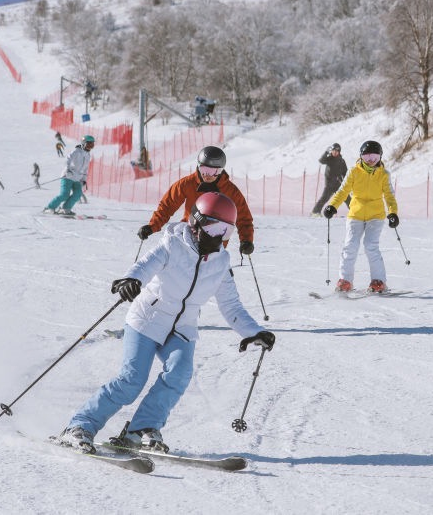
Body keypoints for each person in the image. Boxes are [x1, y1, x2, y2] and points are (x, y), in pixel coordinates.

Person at [58, 192, 275, 454]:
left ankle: (141, 429)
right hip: (147, 320)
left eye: (226, 230)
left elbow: (231, 306)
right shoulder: (172, 245)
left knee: (179, 374)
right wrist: (131, 280)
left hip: (182, 328)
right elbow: (144, 265)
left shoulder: (221, 261)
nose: (219, 236)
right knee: (132, 379)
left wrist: (255, 332)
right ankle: (80, 425)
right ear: (195, 222)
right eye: (213, 226)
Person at [137, 146, 255, 256]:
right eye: (204, 169)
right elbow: (167, 205)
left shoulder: (230, 191)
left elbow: (244, 218)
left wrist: (246, 240)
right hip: (188, 237)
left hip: (214, 244)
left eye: (214, 172)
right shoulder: (187, 184)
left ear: (221, 171)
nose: (207, 175)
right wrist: (152, 226)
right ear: (198, 166)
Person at [323, 140, 399, 293]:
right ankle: (345, 281)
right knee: (350, 246)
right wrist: (333, 206)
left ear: (380, 157)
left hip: (376, 216)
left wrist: (392, 213)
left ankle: (379, 281)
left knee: (371, 245)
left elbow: (389, 197)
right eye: (367, 157)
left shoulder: (384, 174)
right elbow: (343, 191)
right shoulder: (354, 171)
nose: (371, 160)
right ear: (361, 157)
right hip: (356, 214)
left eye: (375, 157)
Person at [44, 135, 95, 215]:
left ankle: (65, 209)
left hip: (78, 179)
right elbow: (67, 160)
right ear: (84, 143)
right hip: (68, 176)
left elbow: (85, 168)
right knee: (64, 195)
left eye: (92, 145)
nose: (90, 147)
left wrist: (84, 179)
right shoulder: (77, 151)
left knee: (77, 194)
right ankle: (49, 208)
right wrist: (68, 170)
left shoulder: (88, 155)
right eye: (89, 144)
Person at [310, 143, 349, 216]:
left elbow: (345, 173)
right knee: (324, 199)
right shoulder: (329, 159)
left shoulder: (342, 161)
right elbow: (321, 160)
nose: (335, 152)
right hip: (329, 185)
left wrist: (346, 182)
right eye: (333, 150)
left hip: (339, 184)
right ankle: (315, 212)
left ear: (339, 152)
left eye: (336, 151)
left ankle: (355, 212)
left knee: (347, 198)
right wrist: (326, 152)